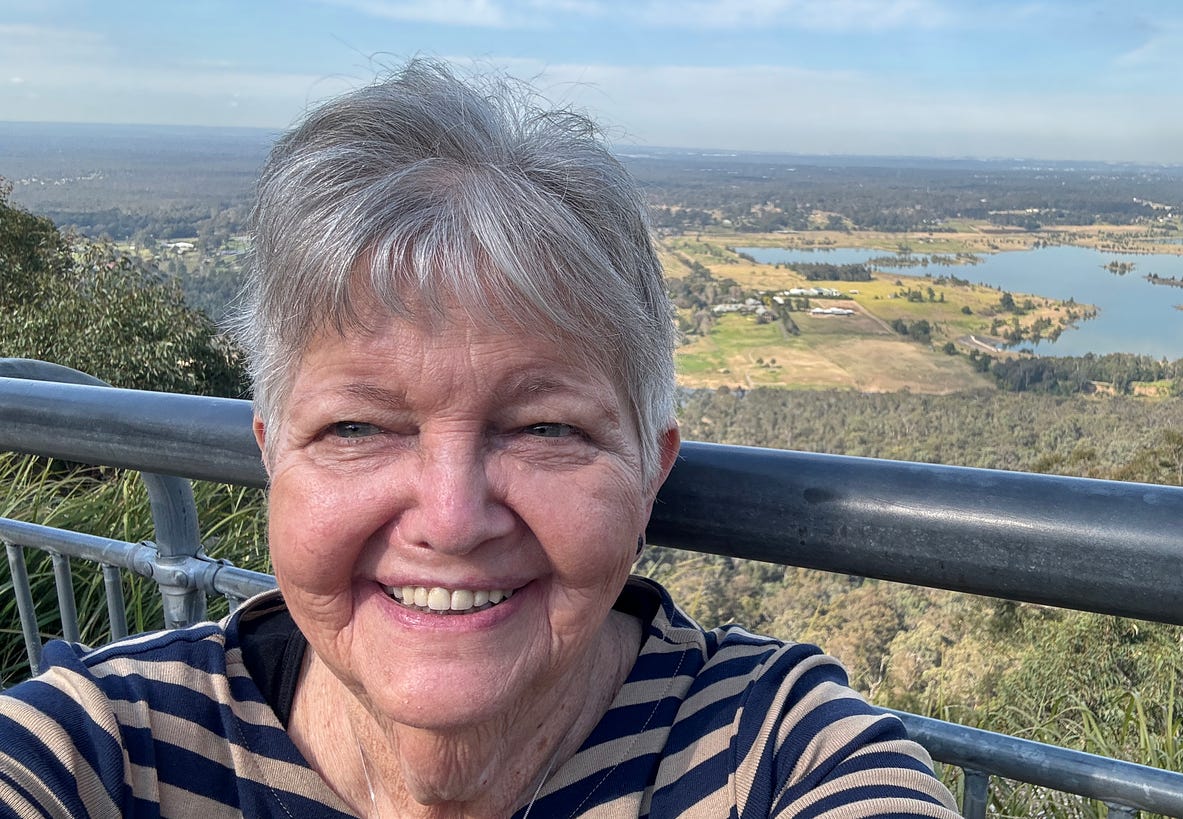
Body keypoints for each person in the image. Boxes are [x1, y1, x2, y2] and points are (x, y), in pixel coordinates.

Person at [0, 60, 960, 818]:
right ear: (271, 452)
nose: (452, 519)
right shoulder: (103, 745)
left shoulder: (779, 754)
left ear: (649, 469)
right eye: (358, 427)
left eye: (547, 428)